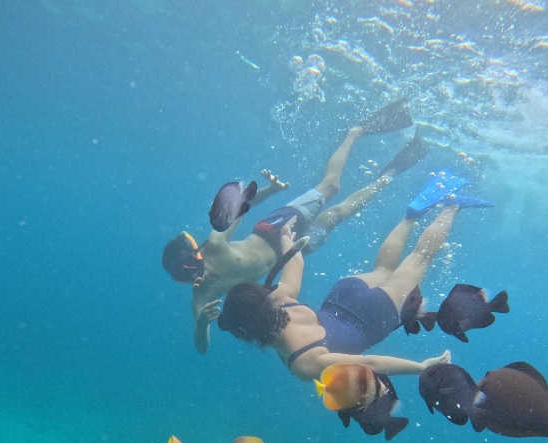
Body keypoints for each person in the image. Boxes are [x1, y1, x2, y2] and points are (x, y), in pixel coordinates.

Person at [161, 99, 428, 354]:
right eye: (191, 271)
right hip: (291, 254)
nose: (200, 269)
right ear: (183, 277)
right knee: (340, 212)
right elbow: (202, 348)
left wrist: (272, 190)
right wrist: (202, 324)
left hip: (274, 228)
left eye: (195, 261)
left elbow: (244, 205)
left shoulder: (216, 243)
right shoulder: (202, 295)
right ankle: (392, 173)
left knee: (331, 187)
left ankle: (354, 133)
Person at [215, 172, 493, 382]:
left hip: (372, 317)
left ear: (249, 334)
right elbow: (294, 264)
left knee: (419, 259)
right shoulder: (278, 298)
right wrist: (287, 239)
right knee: (383, 268)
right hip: (343, 296)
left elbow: (369, 363)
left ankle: (451, 206)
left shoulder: (303, 362)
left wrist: (420, 367)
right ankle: (410, 216)